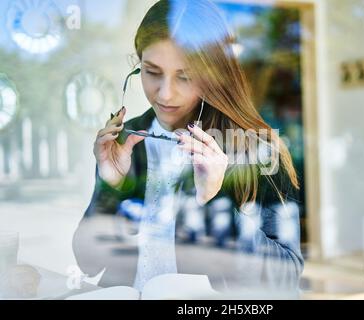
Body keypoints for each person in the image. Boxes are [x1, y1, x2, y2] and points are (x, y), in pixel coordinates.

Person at [73, 0, 303, 296]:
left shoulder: (258, 149)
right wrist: (109, 189)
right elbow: (88, 262)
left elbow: (284, 282)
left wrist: (214, 202)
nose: (165, 93)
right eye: (152, 71)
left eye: (185, 76)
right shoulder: (125, 141)